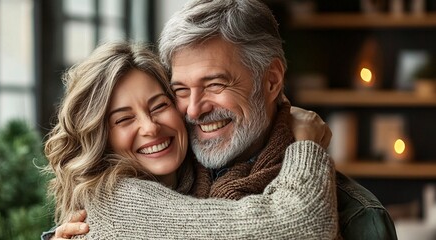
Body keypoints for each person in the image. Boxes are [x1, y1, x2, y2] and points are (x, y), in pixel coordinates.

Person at [50, 0, 397, 239]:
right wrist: (305, 146)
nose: (194, 109)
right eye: (182, 89)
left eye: (215, 84)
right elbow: (295, 224)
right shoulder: (117, 198)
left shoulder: (357, 214)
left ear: (272, 80)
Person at [44, 41, 337, 239]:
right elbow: (302, 225)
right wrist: (306, 145)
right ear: (100, 138)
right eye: (123, 119)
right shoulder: (115, 200)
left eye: (159, 105)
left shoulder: (199, 178)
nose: (150, 127)